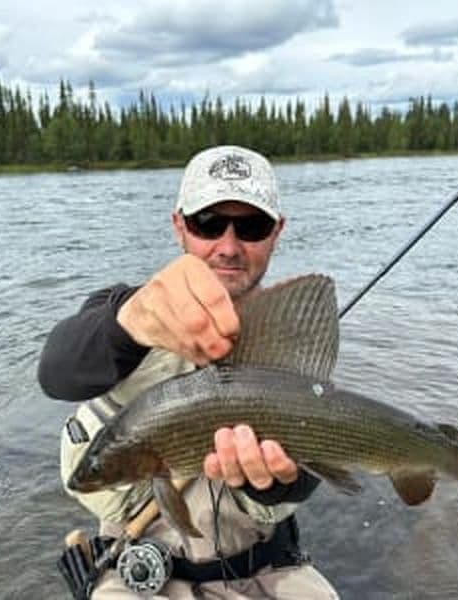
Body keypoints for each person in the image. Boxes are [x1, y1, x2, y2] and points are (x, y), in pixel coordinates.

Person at [38, 145, 339, 599]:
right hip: (135, 573)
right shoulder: (121, 311)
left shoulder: (291, 339)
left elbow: (318, 461)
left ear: (276, 233)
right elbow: (57, 372)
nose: (229, 246)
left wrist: (276, 485)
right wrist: (128, 323)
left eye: (252, 226)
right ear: (179, 226)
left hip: (269, 567)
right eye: (209, 223)